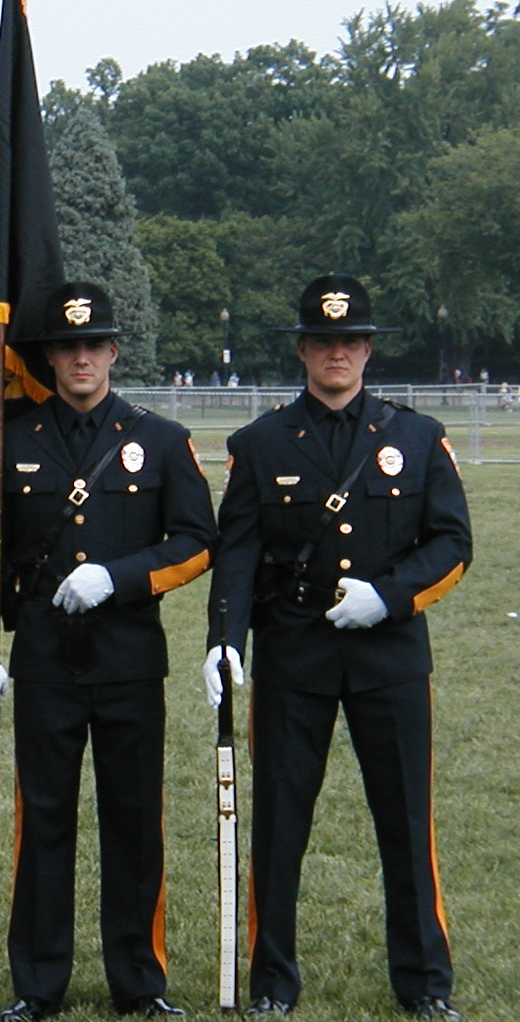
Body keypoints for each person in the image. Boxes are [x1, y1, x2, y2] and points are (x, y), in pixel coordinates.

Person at [204, 274, 471, 1020]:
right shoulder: (257, 444)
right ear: (302, 349)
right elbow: (238, 554)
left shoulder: (415, 437)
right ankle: (272, 984)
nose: (338, 353)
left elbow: (453, 542)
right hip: (295, 654)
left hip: (389, 657)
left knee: (406, 823)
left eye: (351, 340)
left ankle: (424, 983)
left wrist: (390, 595)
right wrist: (225, 641)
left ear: (367, 349)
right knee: (280, 824)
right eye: (324, 341)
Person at [0, 282, 216, 1021]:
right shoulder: (10, 441)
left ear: (113, 351)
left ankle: (139, 980)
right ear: (49, 356)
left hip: (129, 660)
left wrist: (121, 576)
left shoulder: (161, 439)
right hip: (44, 657)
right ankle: (38, 982)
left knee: (134, 819)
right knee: (42, 818)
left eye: (93, 345)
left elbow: (197, 541)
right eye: (67, 347)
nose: (81, 358)